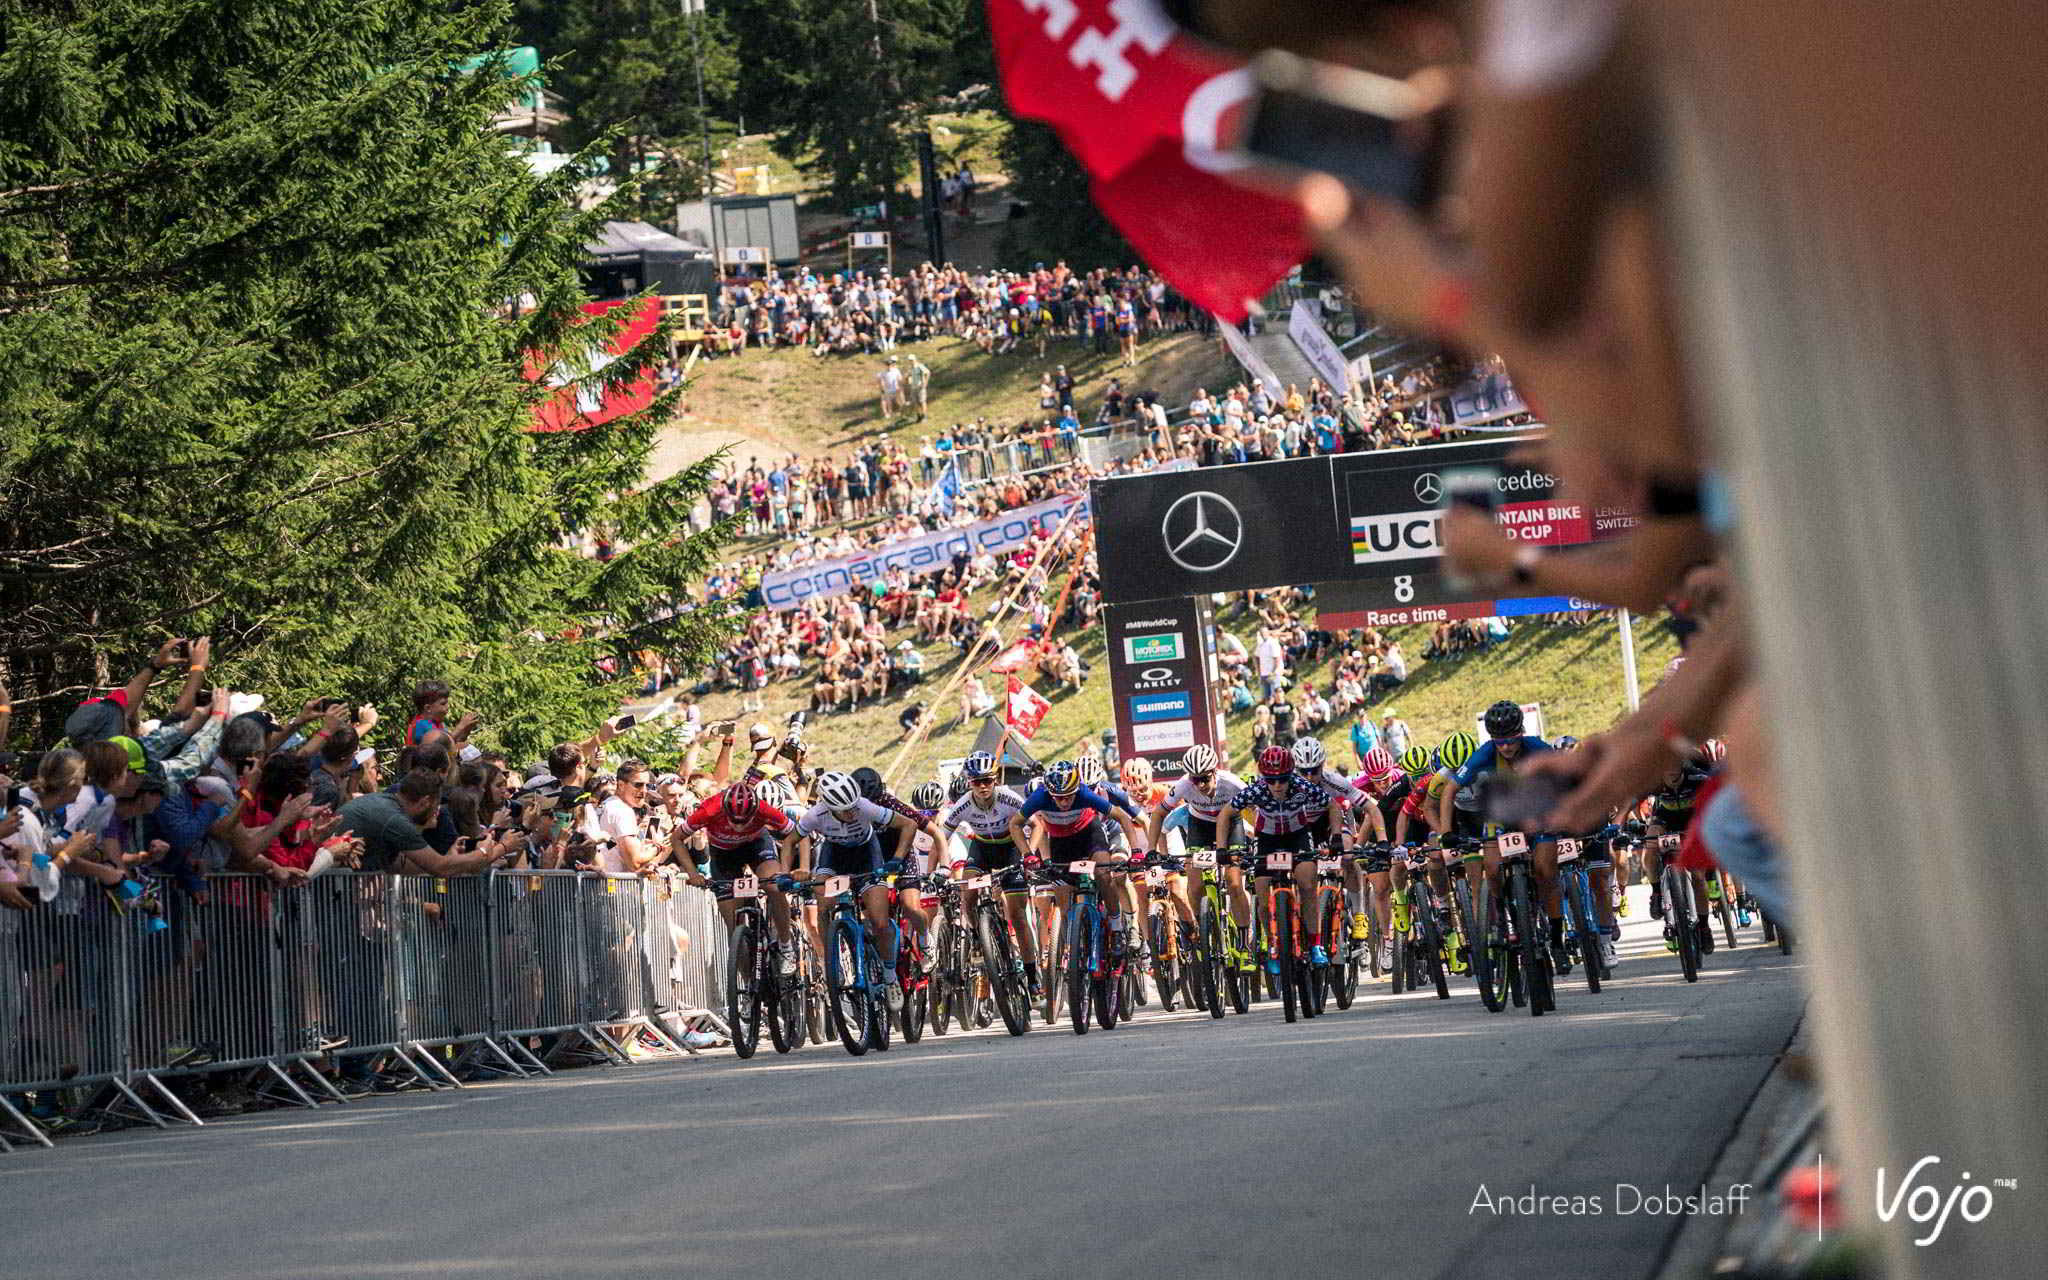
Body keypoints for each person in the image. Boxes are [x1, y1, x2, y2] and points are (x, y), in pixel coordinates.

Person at [937, 751, 1039, 993]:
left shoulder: (1008, 797)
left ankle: (1033, 978)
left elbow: (1037, 825)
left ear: (995, 780)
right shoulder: (963, 804)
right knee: (967, 894)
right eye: (976, 781)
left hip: (1010, 848)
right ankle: (976, 936)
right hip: (982, 849)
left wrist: (1030, 856)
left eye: (988, 781)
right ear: (969, 782)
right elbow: (942, 839)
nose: (983, 786)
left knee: (1018, 916)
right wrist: (940, 869)